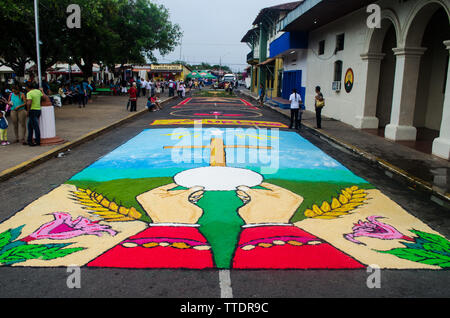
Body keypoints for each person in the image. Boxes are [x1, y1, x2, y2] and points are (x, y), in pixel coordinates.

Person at [25, 82, 43, 146]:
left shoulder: (29, 93)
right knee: (30, 126)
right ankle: (29, 140)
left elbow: (29, 103)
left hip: (32, 110)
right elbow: (42, 98)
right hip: (38, 110)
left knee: (35, 126)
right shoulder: (38, 91)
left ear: (27, 87)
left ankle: (37, 141)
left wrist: (27, 111)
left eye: (26, 87)